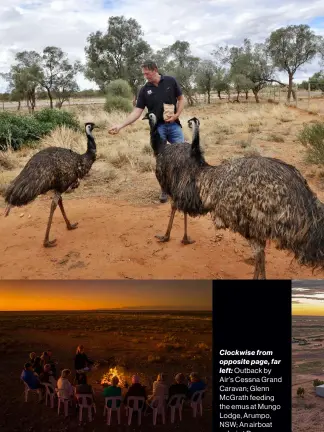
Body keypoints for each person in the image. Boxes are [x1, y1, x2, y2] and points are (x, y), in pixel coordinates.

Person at [108, 60, 185, 203]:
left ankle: (180, 187)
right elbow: (137, 112)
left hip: (174, 125)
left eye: (147, 73)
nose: (145, 76)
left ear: (155, 69)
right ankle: (164, 188)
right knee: (161, 161)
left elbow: (181, 99)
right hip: (157, 129)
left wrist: (176, 115)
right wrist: (121, 125)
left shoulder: (170, 81)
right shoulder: (144, 90)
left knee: (181, 156)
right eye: (144, 74)